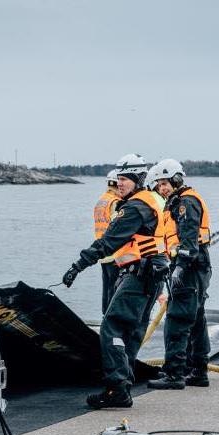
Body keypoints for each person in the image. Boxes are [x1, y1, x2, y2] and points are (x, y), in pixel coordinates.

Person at [62, 157, 169, 408]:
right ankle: (123, 384)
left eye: (124, 179)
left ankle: (116, 387)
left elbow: (109, 241)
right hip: (153, 274)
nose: (119, 183)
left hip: (139, 273)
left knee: (111, 326)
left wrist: (78, 265)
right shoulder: (155, 200)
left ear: (137, 180)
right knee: (132, 331)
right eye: (118, 179)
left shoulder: (134, 207)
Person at [147, 159, 212, 389]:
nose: (162, 189)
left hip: (189, 267)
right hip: (196, 266)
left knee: (177, 319)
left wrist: (180, 267)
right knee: (196, 319)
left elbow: (188, 239)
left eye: (165, 183)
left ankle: (174, 374)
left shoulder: (185, 202)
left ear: (176, 180)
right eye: (159, 185)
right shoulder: (181, 200)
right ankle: (198, 371)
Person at [93, 158, 140, 313]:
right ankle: (111, 318)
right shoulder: (115, 202)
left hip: (102, 252)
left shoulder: (101, 201)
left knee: (106, 287)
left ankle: (104, 316)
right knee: (114, 289)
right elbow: (118, 227)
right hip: (113, 253)